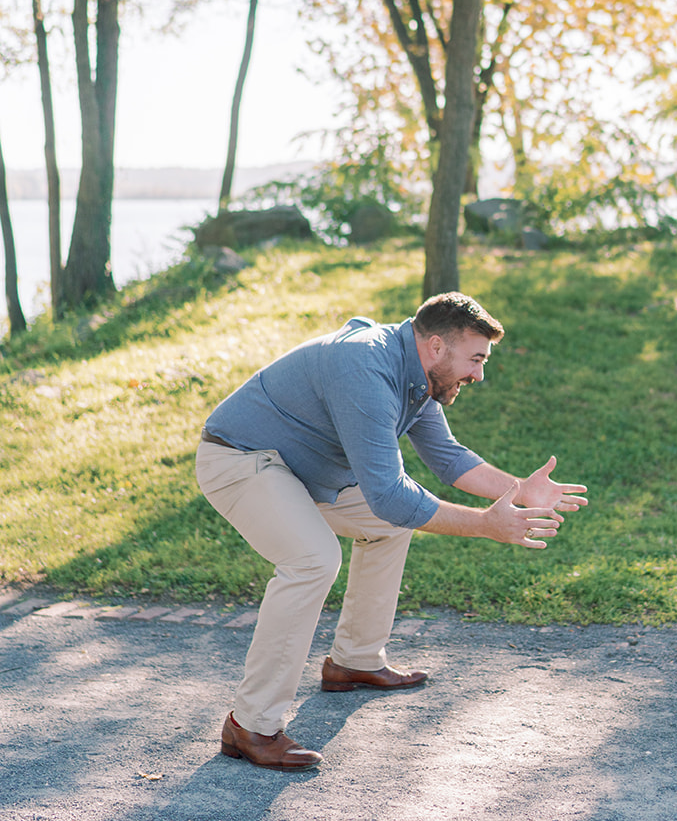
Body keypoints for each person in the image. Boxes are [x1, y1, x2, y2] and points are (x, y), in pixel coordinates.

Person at [195, 290, 587, 771]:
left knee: (387, 527)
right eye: (476, 359)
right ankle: (251, 724)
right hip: (240, 457)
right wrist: (486, 526)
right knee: (313, 560)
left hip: (301, 469)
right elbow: (390, 494)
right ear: (438, 346)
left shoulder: (415, 372)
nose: (479, 374)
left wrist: (522, 490)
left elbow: (447, 456)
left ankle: (354, 661)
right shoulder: (365, 366)